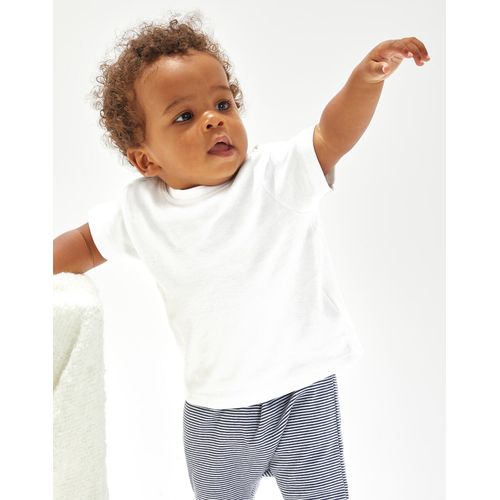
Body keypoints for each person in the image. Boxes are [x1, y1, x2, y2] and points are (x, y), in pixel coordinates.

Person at [53, 12, 430, 500]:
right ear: (146, 159)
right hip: (215, 413)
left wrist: (366, 81)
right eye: (184, 116)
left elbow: (331, 135)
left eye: (222, 103)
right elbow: (84, 245)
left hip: (303, 396)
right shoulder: (142, 209)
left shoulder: (274, 176)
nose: (213, 119)